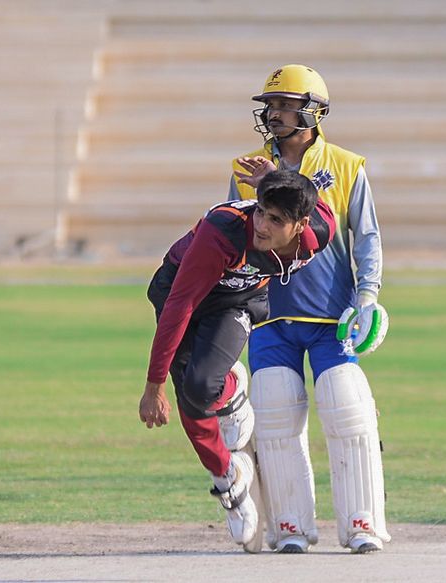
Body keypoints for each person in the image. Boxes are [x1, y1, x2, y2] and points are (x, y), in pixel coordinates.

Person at [228, 64, 391, 554]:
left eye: (284, 105)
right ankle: (289, 528)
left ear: (313, 111)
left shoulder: (346, 165)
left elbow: (366, 237)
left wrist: (367, 297)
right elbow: (231, 240)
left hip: (331, 316)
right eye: (270, 106)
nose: (274, 113)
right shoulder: (245, 170)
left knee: (347, 411)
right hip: (268, 314)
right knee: (274, 412)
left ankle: (363, 524)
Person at [139, 170, 335, 552]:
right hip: (182, 290)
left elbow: (319, 204)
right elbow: (180, 306)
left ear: (300, 225)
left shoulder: (317, 233)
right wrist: (153, 385)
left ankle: (230, 388)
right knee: (191, 398)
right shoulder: (223, 233)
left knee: (202, 385)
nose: (261, 225)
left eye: (275, 219)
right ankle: (228, 478)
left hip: (236, 301)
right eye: (260, 211)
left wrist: (273, 178)